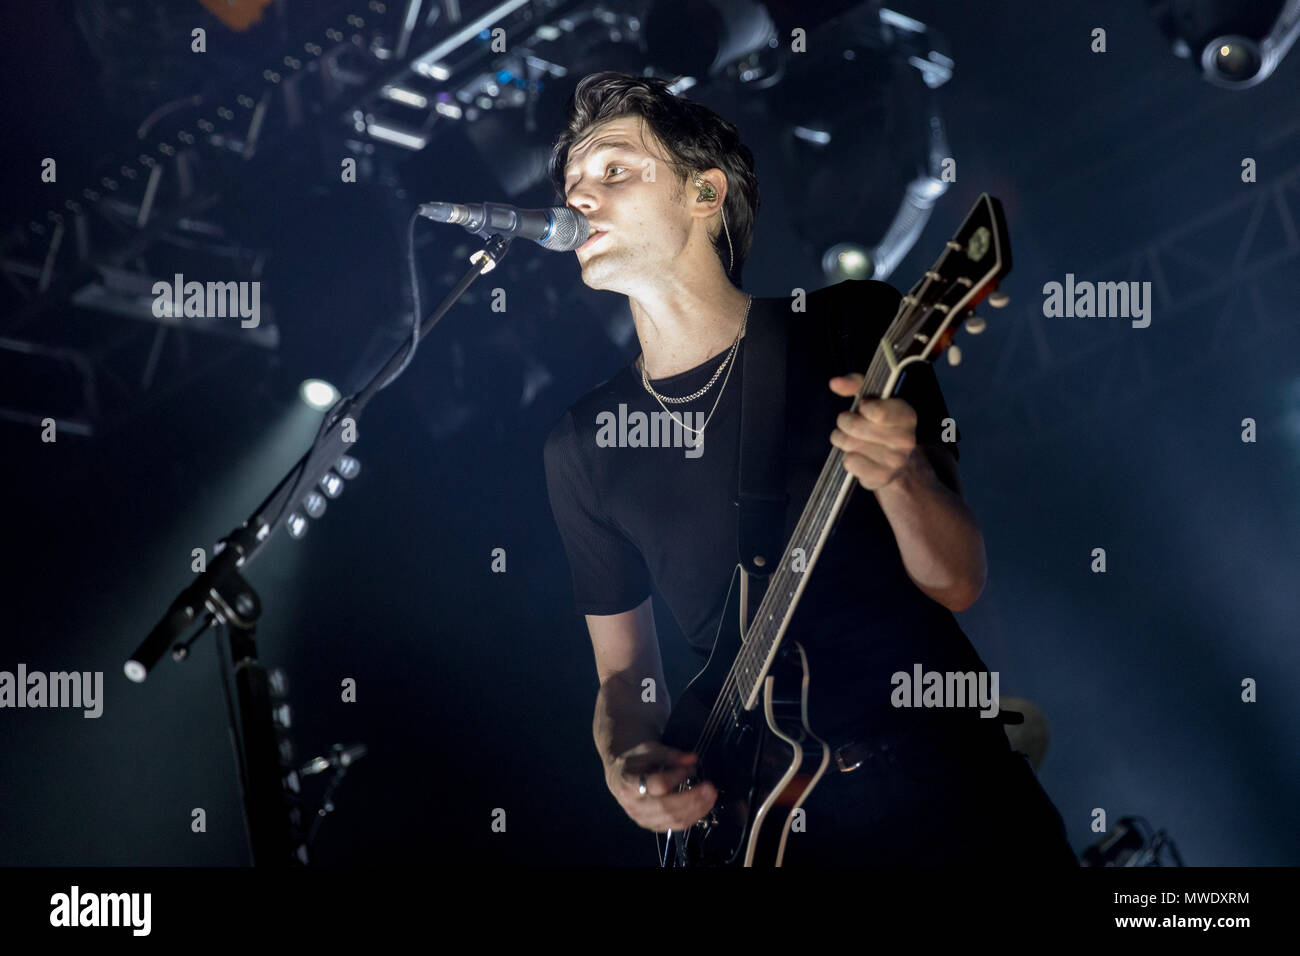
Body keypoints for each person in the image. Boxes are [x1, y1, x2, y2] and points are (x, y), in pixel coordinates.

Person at [542, 71, 1075, 866]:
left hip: (947, 796)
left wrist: (901, 478)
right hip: (773, 836)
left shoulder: (850, 325)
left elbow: (957, 581)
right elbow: (624, 680)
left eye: (614, 170)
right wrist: (627, 765)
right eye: (573, 182)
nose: (580, 197)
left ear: (704, 193)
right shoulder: (582, 444)